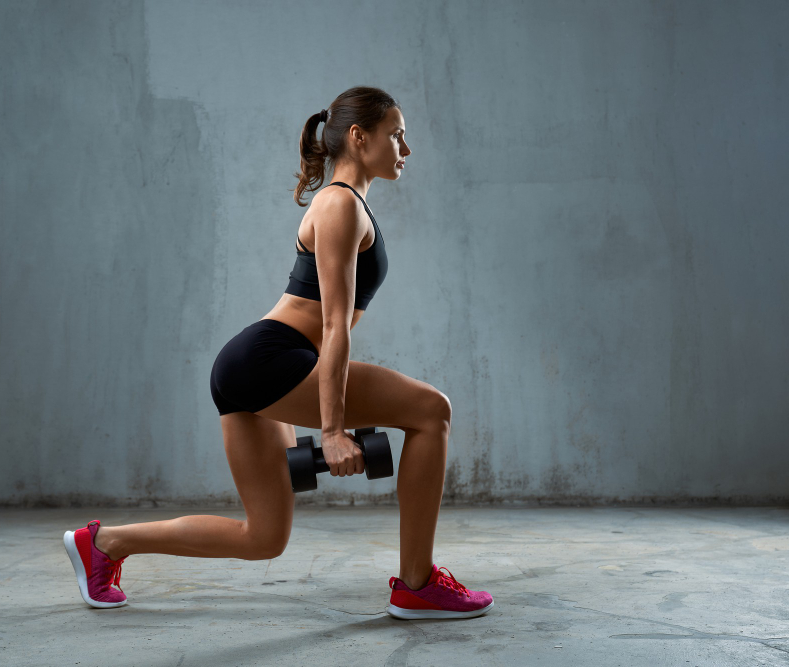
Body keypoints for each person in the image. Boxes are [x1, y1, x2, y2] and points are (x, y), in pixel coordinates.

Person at [63, 86, 494, 620]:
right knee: (432, 411)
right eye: (397, 135)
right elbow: (335, 326)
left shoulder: (347, 204)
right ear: (360, 138)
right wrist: (333, 432)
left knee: (263, 536)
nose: (406, 148)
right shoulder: (338, 204)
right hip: (273, 358)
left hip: (251, 366)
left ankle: (102, 544)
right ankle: (418, 585)